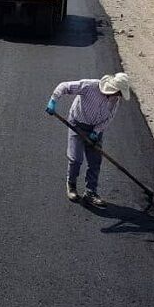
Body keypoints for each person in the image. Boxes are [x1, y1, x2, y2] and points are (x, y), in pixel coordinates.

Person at [46, 73, 130, 207]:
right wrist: (53, 100)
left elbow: (109, 118)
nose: (119, 96)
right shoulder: (89, 86)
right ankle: (71, 185)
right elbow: (64, 86)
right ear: (114, 88)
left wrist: (96, 132)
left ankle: (90, 192)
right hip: (76, 125)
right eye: (119, 93)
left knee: (95, 161)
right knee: (75, 159)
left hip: (94, 130)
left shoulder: (115, 100)